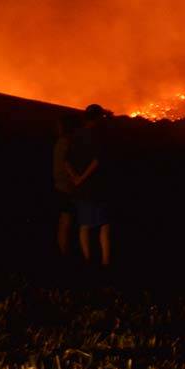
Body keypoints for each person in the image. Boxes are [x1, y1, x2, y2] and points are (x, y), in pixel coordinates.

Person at [67, 104, 111, 266]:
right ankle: (105, 262)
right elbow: (97, 161)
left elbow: (67, 160)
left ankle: (87, 260)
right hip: (97, 187)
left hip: (82, 189)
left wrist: (76, 178)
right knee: (104, 225)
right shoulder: (99, 136)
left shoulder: (76, 135)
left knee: (84, 225)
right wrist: (83, 177)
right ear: (98, 118)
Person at [52, 113, 80, 257]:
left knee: (64, 221)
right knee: (67, 222)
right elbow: (67, 163)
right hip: (67, 188)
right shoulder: (67, 143)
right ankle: (64, 253)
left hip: (61, 187)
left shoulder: (61, 142)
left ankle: (62, 253)